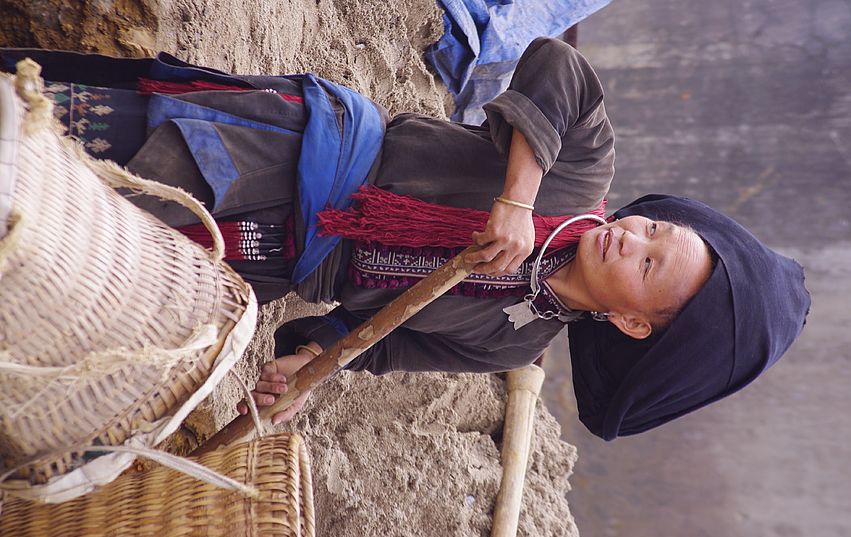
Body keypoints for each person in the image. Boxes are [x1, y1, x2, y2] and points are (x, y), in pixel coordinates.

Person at [1, 38, 809, 441]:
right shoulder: (577, 176)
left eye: (649, 261)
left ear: (635, 324)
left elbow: (377, 343)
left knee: (71, 253)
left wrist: (311, 363)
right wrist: (518, 196)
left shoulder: (507, 344)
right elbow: (557, 66)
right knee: (46, 144)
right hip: (288, 151)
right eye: (655, 228)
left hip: (273, 257)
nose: (632, 234)